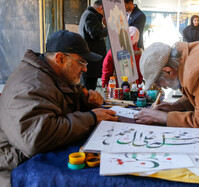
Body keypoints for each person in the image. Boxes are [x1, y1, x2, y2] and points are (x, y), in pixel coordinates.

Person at [0, 30, 118, 186]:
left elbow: (66, 101)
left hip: (40, 155)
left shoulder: (57, 75)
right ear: (60, 58)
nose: (85, 69)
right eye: (81, 62)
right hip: (18, 167)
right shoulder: (30, 85)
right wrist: (91, 117)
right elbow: (36, 138)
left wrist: (86, 101)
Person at [79, 0, 108, 90]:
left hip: (92, 60)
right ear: (101, 8)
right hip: (91, 60)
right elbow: (96, 34)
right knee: (89, 88)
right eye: (105, 11)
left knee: (90, 86)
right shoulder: (90, 16)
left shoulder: (88, 14)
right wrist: (110, 29)